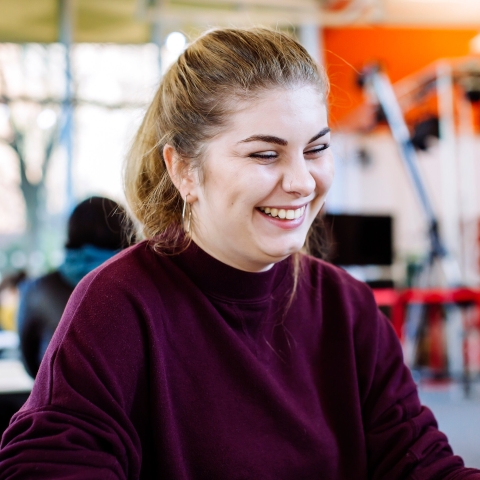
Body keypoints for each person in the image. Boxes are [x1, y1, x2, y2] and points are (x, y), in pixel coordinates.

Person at [0, 27, 478, 480]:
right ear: (184, 170)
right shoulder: (118, 304)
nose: (301, 182)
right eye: (264, 155)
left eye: (316, 149)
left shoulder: (346, 306)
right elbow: (50, 462)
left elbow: (420, 463)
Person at [16, 196, 133, 378]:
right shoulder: (142, 285)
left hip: (59, 401)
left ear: (71, 233)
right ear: (126, 232)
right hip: (130, 405)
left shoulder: (38, 290)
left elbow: (31, 365)